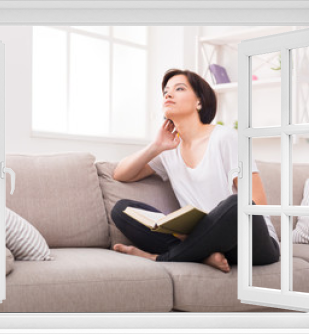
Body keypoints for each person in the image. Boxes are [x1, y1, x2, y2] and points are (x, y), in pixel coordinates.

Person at [110, 69, 280, 273]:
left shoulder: (226, 138)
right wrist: (155, 146)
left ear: (199, 102)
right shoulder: (168, 149)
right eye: (166, 91)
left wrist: (211, 228)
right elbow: (121, 174)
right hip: (205, 242)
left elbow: (256, 203)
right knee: (122, 209)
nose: (168, 94)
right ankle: (200, 255)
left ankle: (161, 258)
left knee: (237, 204)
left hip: (252, 242)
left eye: (179, 89)